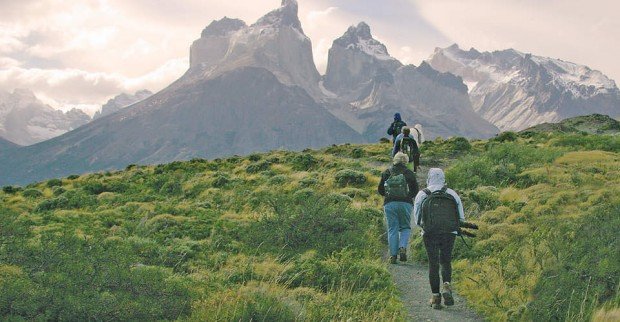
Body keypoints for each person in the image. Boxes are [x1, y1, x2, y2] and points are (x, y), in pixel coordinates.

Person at [413, 168, 465, 309]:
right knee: (446, 260)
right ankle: (446, 285)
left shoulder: (422, 194)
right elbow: (460, 217)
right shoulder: (452, 193)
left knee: (433, 263)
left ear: (429, 178)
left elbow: (417, 220)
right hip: (449, 232)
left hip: (430, 233)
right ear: (443, 177)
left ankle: (436, 298)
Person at [378, 152, 419, 264]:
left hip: (390, 203)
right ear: (406, 161)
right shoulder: (409, 173)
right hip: (405, 203)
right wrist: (408, 197)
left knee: (392, 229)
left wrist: (388, 196)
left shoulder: (387, 172)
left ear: (395, 160)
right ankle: (402, 247)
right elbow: (415, 190)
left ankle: (393, 255)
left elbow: (380, 190)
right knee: (405, 227)